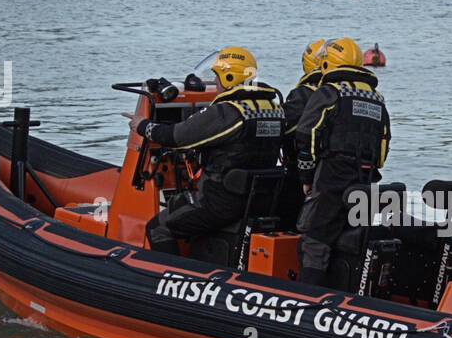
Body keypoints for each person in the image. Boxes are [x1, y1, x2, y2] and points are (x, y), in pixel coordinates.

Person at [128, 47, 284, 254]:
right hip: (258, 200)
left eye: (217, 77)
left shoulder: (229, 111)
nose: (216, 83)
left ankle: (173, 279)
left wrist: (142, 126)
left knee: (157, 228)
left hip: (220, 202)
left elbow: (176, 137)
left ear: (229, 77)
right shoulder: (274, 108)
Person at [294, 37, 391, 287]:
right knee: (350, 238)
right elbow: (383, 145)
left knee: (314, 241)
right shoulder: (376, 98)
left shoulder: (330, 91)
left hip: (332, 176)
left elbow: (306, 133)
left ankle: (307, 300)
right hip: (366, 179)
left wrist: (306, 177)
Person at [276, 39, 326, 228]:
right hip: (337, 174)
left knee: (282, 210)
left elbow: (285, 126)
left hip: (303, 175)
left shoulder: (304, 94)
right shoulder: (349, 93)